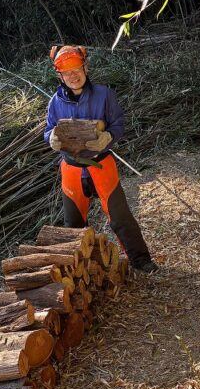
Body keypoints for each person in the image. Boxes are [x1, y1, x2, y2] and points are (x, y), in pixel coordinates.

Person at [44, 45, 158, 273]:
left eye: (77, 69)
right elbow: (48, 130)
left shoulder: (104, 95)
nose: (73, 76)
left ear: (85, 68)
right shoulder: (55, 102)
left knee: (121, 217)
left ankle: (141, 260)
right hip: (72, 168)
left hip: (101, 164)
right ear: (60, 76)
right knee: (73, 225)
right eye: (67, 73)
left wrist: (108, 137)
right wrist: (52, 138)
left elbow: (118, 124)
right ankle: (79, 270)